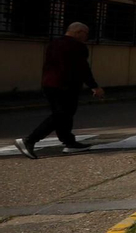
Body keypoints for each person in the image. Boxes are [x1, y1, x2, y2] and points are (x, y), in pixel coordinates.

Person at [14, 22, 105, 158]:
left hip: (49, 84)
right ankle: (30, 140)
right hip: (66, 85)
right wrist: (94, 86)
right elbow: (82, 68)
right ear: (78, 32)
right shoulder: (78, 46)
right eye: (86, 34)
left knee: (63, 115)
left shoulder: (54, 43)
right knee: (61, 115)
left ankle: (69, 142)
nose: (87, 37)